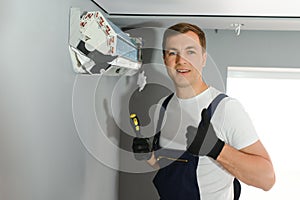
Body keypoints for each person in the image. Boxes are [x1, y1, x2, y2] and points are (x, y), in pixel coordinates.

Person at [132, 22, 275, 200]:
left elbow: (267, 179)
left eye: (190, 52)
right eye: (172, 53)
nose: (181, 61)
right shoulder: (163, 106)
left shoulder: (225, 109)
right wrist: (148, 156)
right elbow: (169, 169)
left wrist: (217, 149)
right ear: (164, 59)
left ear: (204, 58)